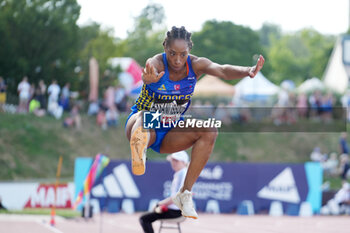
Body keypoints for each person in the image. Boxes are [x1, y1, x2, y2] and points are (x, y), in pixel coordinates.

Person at [125, 26, 264, 219]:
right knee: (143, 119)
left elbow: (222, 70)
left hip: (171, 128)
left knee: (209, 130)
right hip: (143, 121)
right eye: (172, 53)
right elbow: (149, 70)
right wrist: (147, 80)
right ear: (165, 48)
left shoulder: (196, 65)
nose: (177, 60)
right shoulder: (156, 62)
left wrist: (247, 70)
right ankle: (139, 148)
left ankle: (185, 193)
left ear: (189, 51)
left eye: (183, 54)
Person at [139, 151, 188, 233]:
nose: (173, 163)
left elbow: (178, 197)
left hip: (177, 212)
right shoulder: (180, 173)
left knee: (144, 219)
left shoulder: (183, 174)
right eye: (172, 160)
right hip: (175, 210)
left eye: (176, 160)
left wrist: (160, 204)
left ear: (183, 162)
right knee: (147, 217)